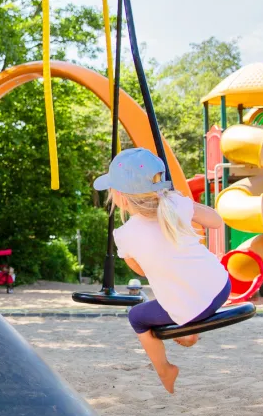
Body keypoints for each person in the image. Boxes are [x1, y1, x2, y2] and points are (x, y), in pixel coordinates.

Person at [95, 148, 228, 395]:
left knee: (138, 316)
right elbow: (216, 222)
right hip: (220, 286)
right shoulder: (176, 203)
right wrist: (184, 202)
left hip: (190, 305)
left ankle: (165, 369)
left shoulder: (124, 235)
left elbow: (141, 271)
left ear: (121, 197)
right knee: (181, 289)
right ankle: (189, 332)